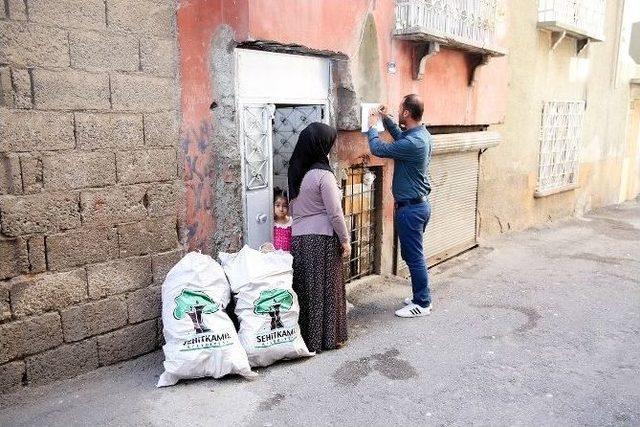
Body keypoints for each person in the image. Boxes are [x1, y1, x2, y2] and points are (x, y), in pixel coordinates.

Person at [367, 94, 433, 318]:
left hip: (412, 209)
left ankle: (422, 303)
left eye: (400, 108)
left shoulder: (414, 142)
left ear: (406, 113)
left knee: (414, 257)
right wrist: (385, 119)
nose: (398, 109)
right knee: (412, 254)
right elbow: (400, 138)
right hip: (417, 206)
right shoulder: (420, 135)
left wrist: (371, 128)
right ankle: (419, 295)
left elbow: (379, 149)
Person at [287, 122, 351, 352]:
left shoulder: (295, 170)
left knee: (306, 289)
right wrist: (344, 239)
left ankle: (307, 338)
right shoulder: (323, 175)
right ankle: (327, 338)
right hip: (322, 239)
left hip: (299, 239)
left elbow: (293, 209)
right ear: (321, 145)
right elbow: (335, 212)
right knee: (326, 289)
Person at [273, 187, 292, 252]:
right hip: (275, 257)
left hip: (289, 257)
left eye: (284, 206)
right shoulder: (271, 223)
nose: (281, 209)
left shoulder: (292, 222)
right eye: (277, 205)